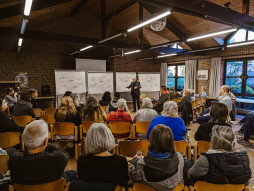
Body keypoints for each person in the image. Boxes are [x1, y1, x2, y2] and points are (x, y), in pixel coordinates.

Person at [9, 120, 72, 185]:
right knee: (70, 173)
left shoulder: (14, 160)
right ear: (45, 141)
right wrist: (46, 145)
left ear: (24, 139)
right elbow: (66, 154)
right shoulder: (58, 158)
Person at [129, 124, 186, 191]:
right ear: (171, 141)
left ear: (151, 140)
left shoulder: (141, 164)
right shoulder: (179, 158)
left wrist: (135, 162)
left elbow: (134, 178)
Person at [75, 123, 129, 190]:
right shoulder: (121, 161)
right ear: (109, 137)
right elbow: (124, 184)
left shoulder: (82, 160)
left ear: (89, 140)